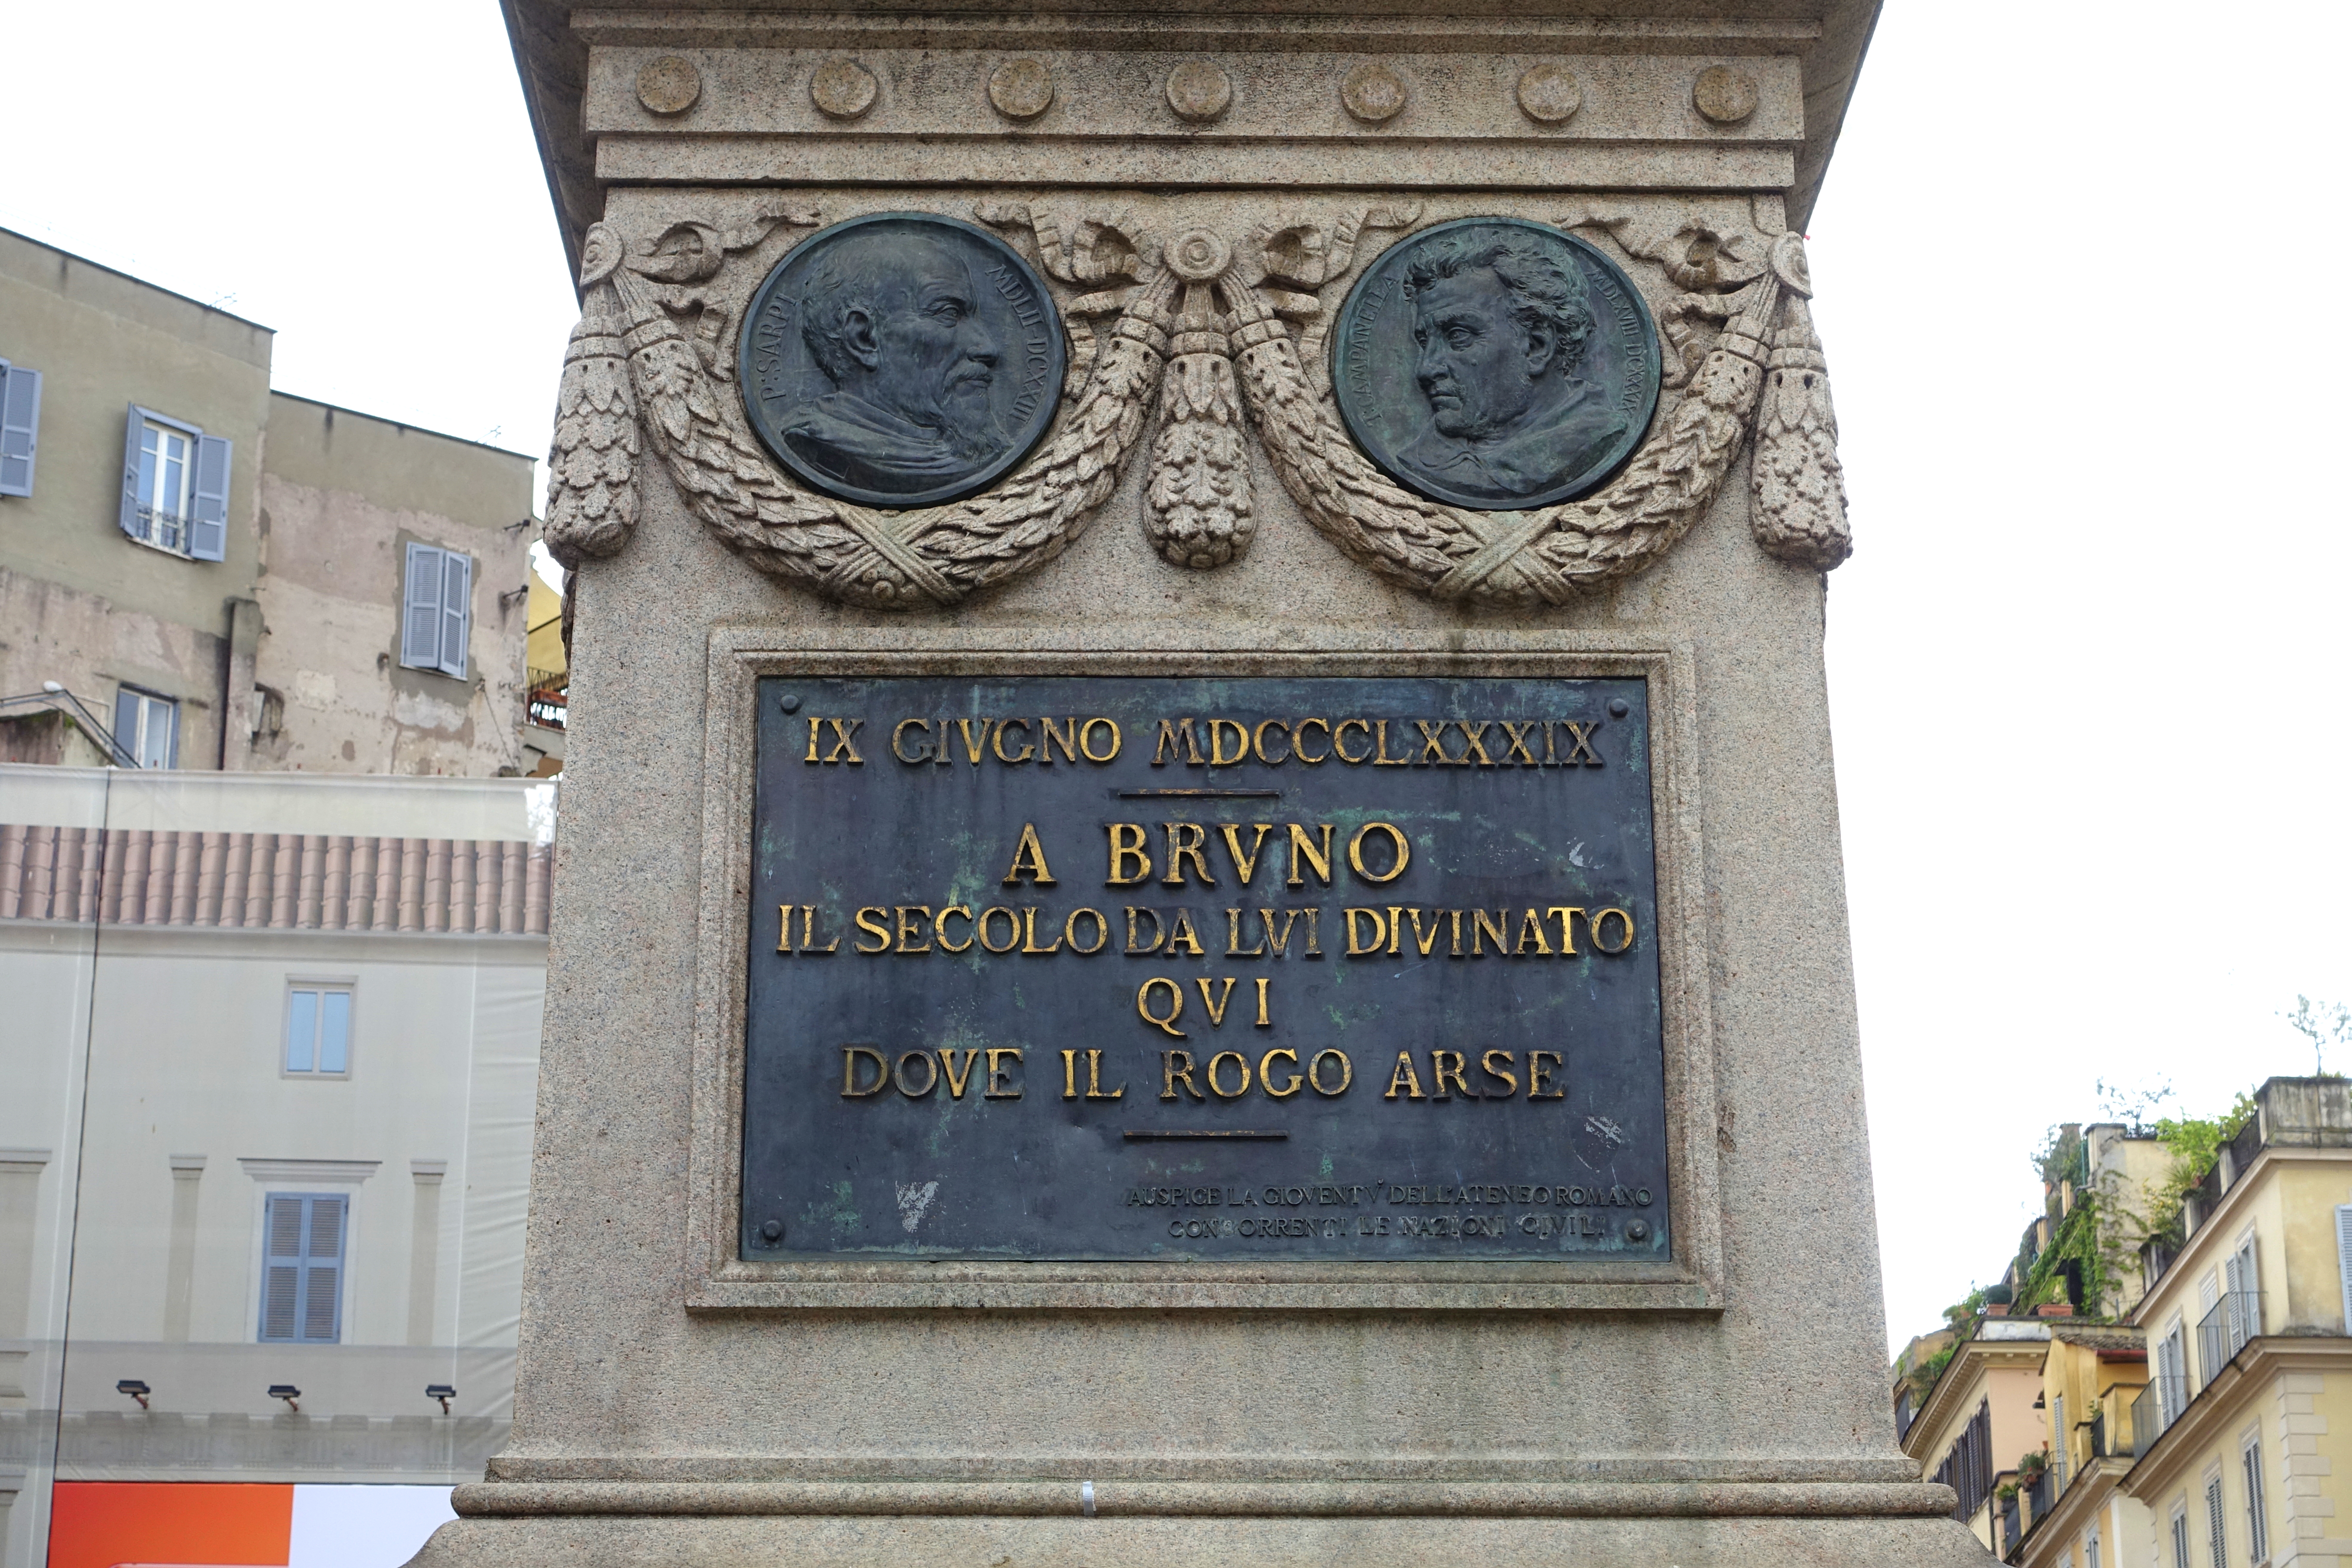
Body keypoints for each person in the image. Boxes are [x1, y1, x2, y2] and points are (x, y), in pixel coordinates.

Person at [1393, 231, 1626, 504]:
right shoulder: (1418, 457)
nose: (1425, 369)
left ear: (1536, 347)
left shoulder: (1596, 438)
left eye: (1458, 336)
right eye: (1424, 342)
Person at [781, 233, 1004, 496]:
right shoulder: (816, 445)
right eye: (949, 313)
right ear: (863, 339)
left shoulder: (977, 454)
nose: (988, 349)